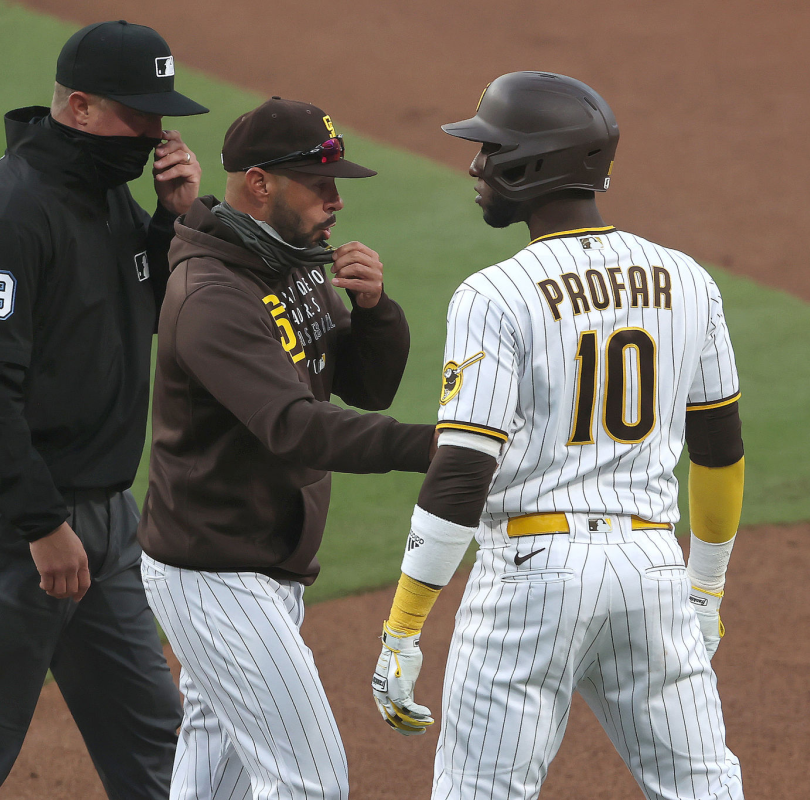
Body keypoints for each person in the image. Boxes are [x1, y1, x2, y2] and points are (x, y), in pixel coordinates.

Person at [370, 72, 746, 800]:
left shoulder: (495, 293)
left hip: (533, 578)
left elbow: (460, 472)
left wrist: (403, 626)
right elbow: (720, 450)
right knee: (704, 790)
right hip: (651, 569)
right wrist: (705, 591)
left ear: (533, 166)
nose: (475, 167)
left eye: (490, 151)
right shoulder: (689, 280)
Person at [0, 21, 207, 800]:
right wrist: (43, 527)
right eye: (139, 116)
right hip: (17, 523)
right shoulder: (7, 217)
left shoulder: (106, 197)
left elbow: (131, 313)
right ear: (79, 107)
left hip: (105, 520)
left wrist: (171, 218)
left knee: (157, 743)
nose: (155, 134)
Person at [139, 97, 436, 800]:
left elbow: (366, 387)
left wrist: (375, 312)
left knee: (214, 772)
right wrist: (440, 446)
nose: (335, 201)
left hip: (260, 559)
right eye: (319, 184)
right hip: (215, 571)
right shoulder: (211, 293)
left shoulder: (292, 260)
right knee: (310, 783)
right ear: (261, 183)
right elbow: (295, 425)